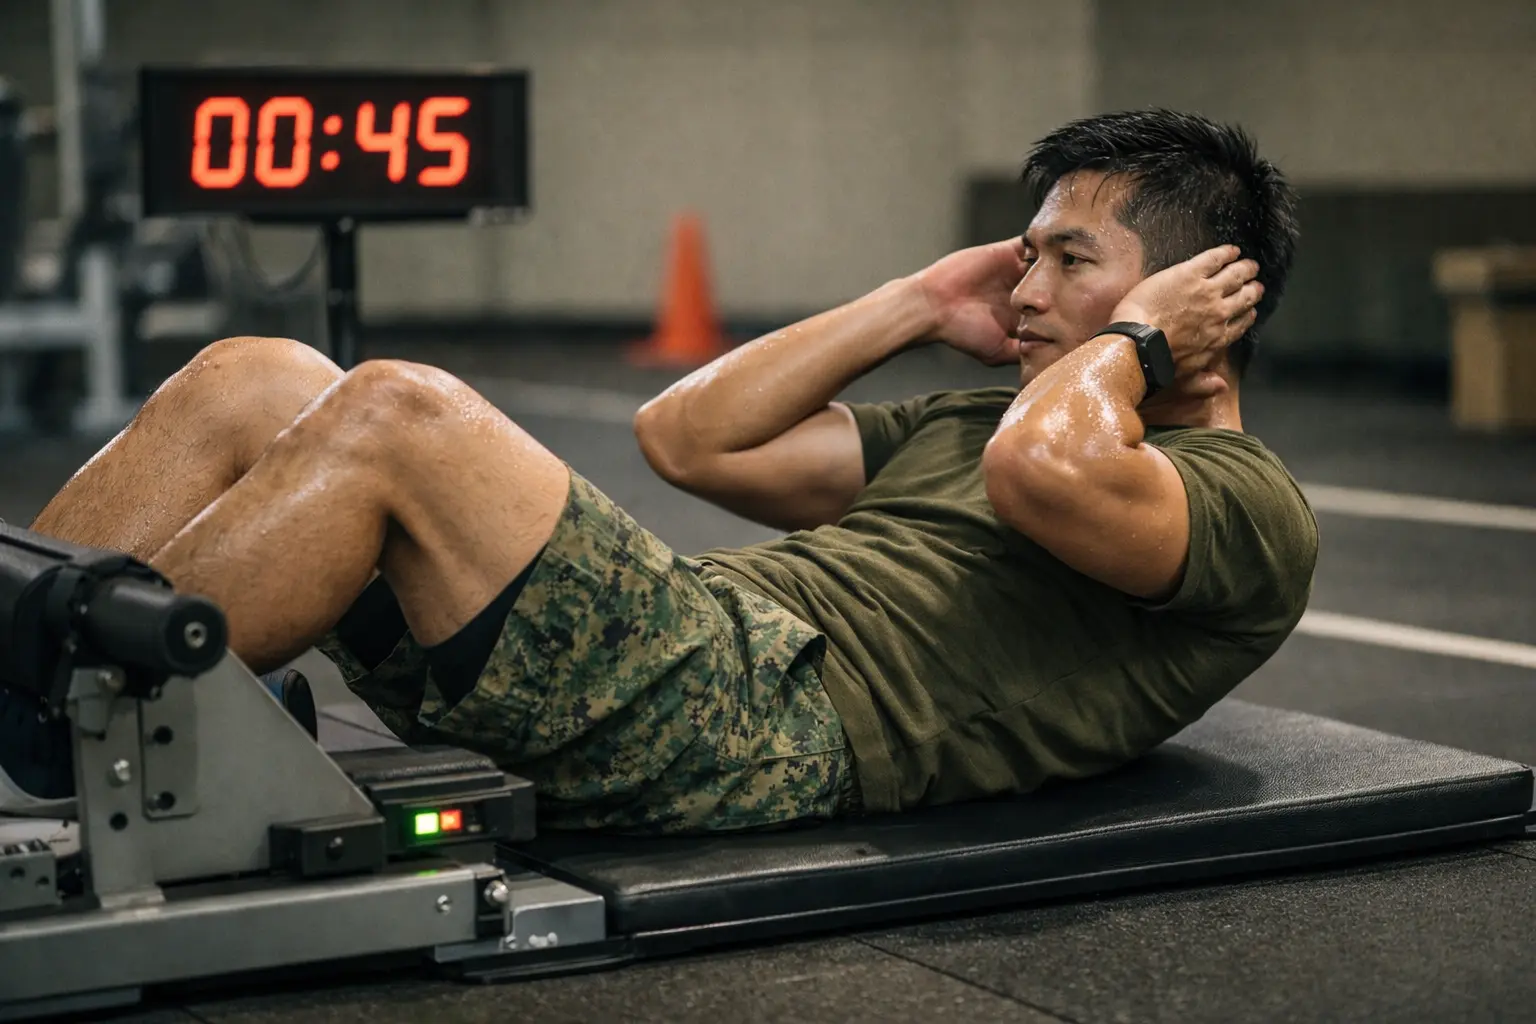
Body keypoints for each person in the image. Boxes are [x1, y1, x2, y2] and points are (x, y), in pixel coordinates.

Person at [4, 109, 1316, 833]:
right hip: (698, 642)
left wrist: (1140, 344)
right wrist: (917, 301)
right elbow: (691, 437)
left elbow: (1046, 471)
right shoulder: (982, 418)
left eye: (1067, 262)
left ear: (1210, 297)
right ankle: (26, 673)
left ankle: (69, 703)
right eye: (1024, 256)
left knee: (397, 410)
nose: (1024, 289)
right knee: (253, 374)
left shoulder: (1242, 504)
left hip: (773, 717)